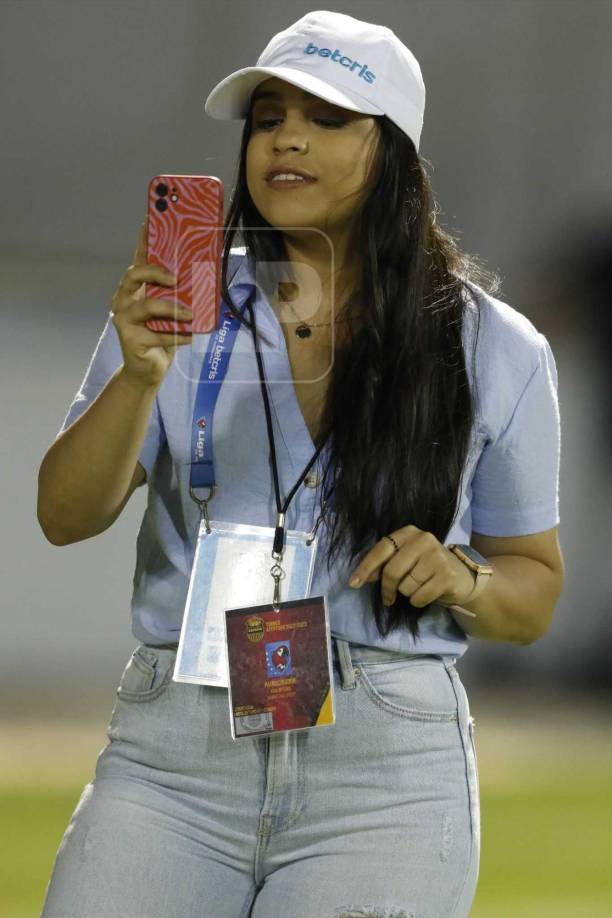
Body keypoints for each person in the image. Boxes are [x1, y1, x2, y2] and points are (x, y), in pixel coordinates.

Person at [37, 10, 564, 918]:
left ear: (392, 149)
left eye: (327, 119)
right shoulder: (174, 312)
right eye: (270, 115)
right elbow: (65, 515)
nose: (286, 138)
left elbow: (534, 590)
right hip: (176, 758)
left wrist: (461, 575)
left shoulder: (494, 347)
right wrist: (139, 375)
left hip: (385, 777)